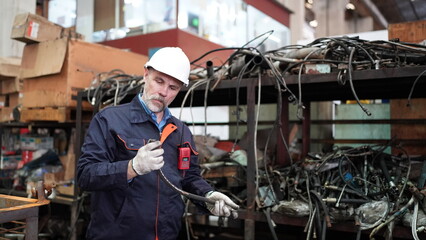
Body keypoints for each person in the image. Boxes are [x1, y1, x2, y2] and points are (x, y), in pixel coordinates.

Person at [77, 47, 239, 240]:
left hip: (166, 234)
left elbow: (189, 178)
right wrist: (131, 167)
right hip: (117, 234)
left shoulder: (181, 131)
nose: (163, 92)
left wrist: (208, 195)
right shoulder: (109, 120)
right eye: (159, 81)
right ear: (146, 74)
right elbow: (86, 175)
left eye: (173, 88)